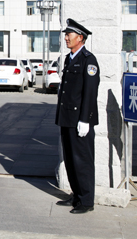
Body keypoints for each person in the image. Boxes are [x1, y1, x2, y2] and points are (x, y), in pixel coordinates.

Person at [55, 19, 100, 214]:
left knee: (82, 160)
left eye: (69, 35)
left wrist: (85, 119)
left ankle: (87, 201)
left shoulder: (89, 60)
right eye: (66, 35)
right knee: (70, 160)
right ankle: (77, 195)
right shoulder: (69, 58)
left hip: (80, 120)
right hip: (67, 117)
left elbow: (90, 92)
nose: (66, 38)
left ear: (80, 38)